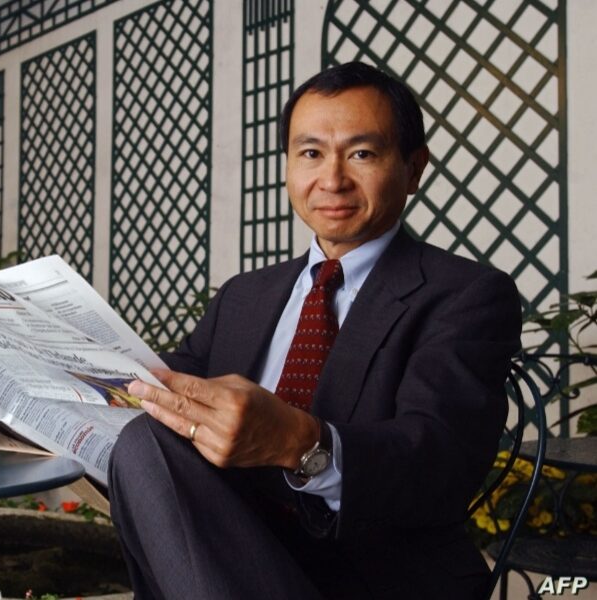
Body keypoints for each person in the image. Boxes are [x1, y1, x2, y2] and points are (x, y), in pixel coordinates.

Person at [106, 61, 522, 599]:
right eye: (310, 154)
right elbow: (162, 385)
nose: (332, 180)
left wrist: (301, 443)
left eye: (362, 154)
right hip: (227, 556)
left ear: (414, 168)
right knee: (144, 436)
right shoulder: (244, 296)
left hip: (377, 577)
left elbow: (439, 462)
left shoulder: (466, 294)